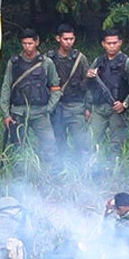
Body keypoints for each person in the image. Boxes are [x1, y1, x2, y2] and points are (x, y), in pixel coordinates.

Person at [0, 28, 61, 164]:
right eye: (24, 43)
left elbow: (55, 87)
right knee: (18, 146)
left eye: (30, 43)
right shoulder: (14, 63)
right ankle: (19, 177)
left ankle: (55, 175)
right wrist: (6, 114)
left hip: (40, 112)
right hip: (18, 112)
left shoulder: (46, 63)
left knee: (50, 145)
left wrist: (49, 108)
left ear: (37, 42)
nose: (28, 47)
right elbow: (6, 87)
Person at [86, 29, 129, 160]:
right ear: (103, 44)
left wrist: (125, 103)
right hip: (99, 109)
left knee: (116, 145)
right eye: (108, 43)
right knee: (91, 140)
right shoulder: (98, 61)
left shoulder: (127, 62)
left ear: (120, 43)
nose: (112, 46)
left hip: (116, 109)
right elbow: (89, 87)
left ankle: (114, 172)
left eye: (115, 43)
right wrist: (89, 77)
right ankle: (90, 170)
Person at [46, 24, 91, 161]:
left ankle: (81, 170)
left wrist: (88, 107)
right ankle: (60, 169)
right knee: (58, 140)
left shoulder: (80, 58)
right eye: (66, 39)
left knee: (81, 141)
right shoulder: (49, 58)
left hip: (75, 105)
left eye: (71, 39)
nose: (69, 42)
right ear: (58, 38)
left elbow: (87, 83)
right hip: (56, 105)